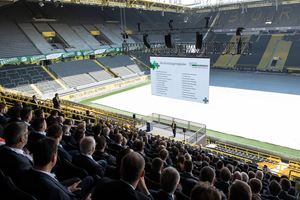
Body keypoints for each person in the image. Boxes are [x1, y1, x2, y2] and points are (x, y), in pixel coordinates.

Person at [16, 138, 93, 200]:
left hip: (59, 190)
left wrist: (67, 189)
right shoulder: (54, 191)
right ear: (53, 158)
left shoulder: (22, 171)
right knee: (93, 181)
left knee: (84, 179)